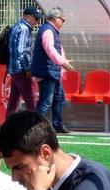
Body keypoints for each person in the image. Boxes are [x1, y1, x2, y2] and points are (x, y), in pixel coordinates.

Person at [30, 6, 73, 134]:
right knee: (46, 101)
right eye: (62, 20)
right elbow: (49, 49)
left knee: (59, 98)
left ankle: (57, 125)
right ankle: (35, 128)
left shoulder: (51, 30)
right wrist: (61, 62)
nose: (63, 23)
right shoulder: (48, 31)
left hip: (53, 71)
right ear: (55, 18)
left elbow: (56, 49)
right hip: (47, 71)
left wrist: (62, 62)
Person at [6, 6, 41, 117]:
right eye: (35, 18)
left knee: (14, 100)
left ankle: (8, 125)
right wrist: (28, 68)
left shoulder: (16, 27)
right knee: (30, 99)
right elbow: (22, 51)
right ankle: (35, 125)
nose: (37, 21)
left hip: (15, 69)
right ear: (28, 17)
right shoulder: (24, 29)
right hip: (21, 69)